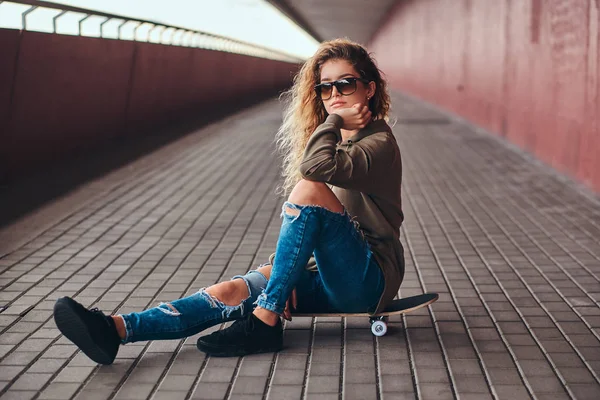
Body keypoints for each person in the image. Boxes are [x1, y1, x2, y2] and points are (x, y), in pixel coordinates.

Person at [53, 38, 405, 364]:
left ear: (369, 88)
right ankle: (116, 330)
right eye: (325, 88)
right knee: (231, 289)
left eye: (345, 84)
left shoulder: (379, 145)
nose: (334, 95)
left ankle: (265, 321)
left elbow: (313, 170)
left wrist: (330, 122)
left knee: (309, 189)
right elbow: (313, 224)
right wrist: (283, 275)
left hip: (366, 280)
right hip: (326, 274)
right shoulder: (336, 141)